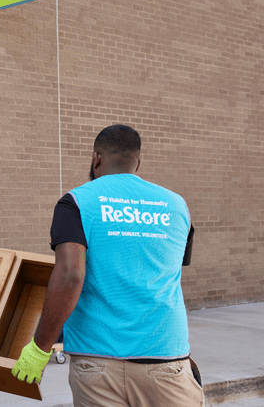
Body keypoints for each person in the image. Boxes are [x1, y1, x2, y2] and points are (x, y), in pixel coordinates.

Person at [11, 125, 203, 406]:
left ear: (96, 158)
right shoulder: (177, 206)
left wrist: (40, 349)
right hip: (165, 360)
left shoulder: (76, 202)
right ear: (137, 162)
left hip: (97, 367)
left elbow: (70, 276)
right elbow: (169, 269)